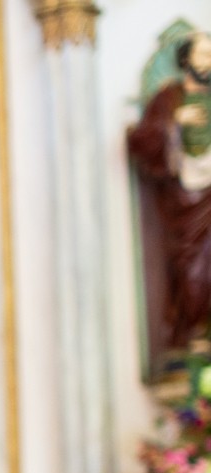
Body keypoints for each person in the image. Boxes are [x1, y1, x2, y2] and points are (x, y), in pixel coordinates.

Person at [130, 31, 211, 351]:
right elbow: (140, 140)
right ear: (186, 59)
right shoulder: (169, 99)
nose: (209, 62)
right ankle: (195, 333)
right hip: (187, 197)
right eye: (203, 54)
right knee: (193, 264)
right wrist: (175, 122)